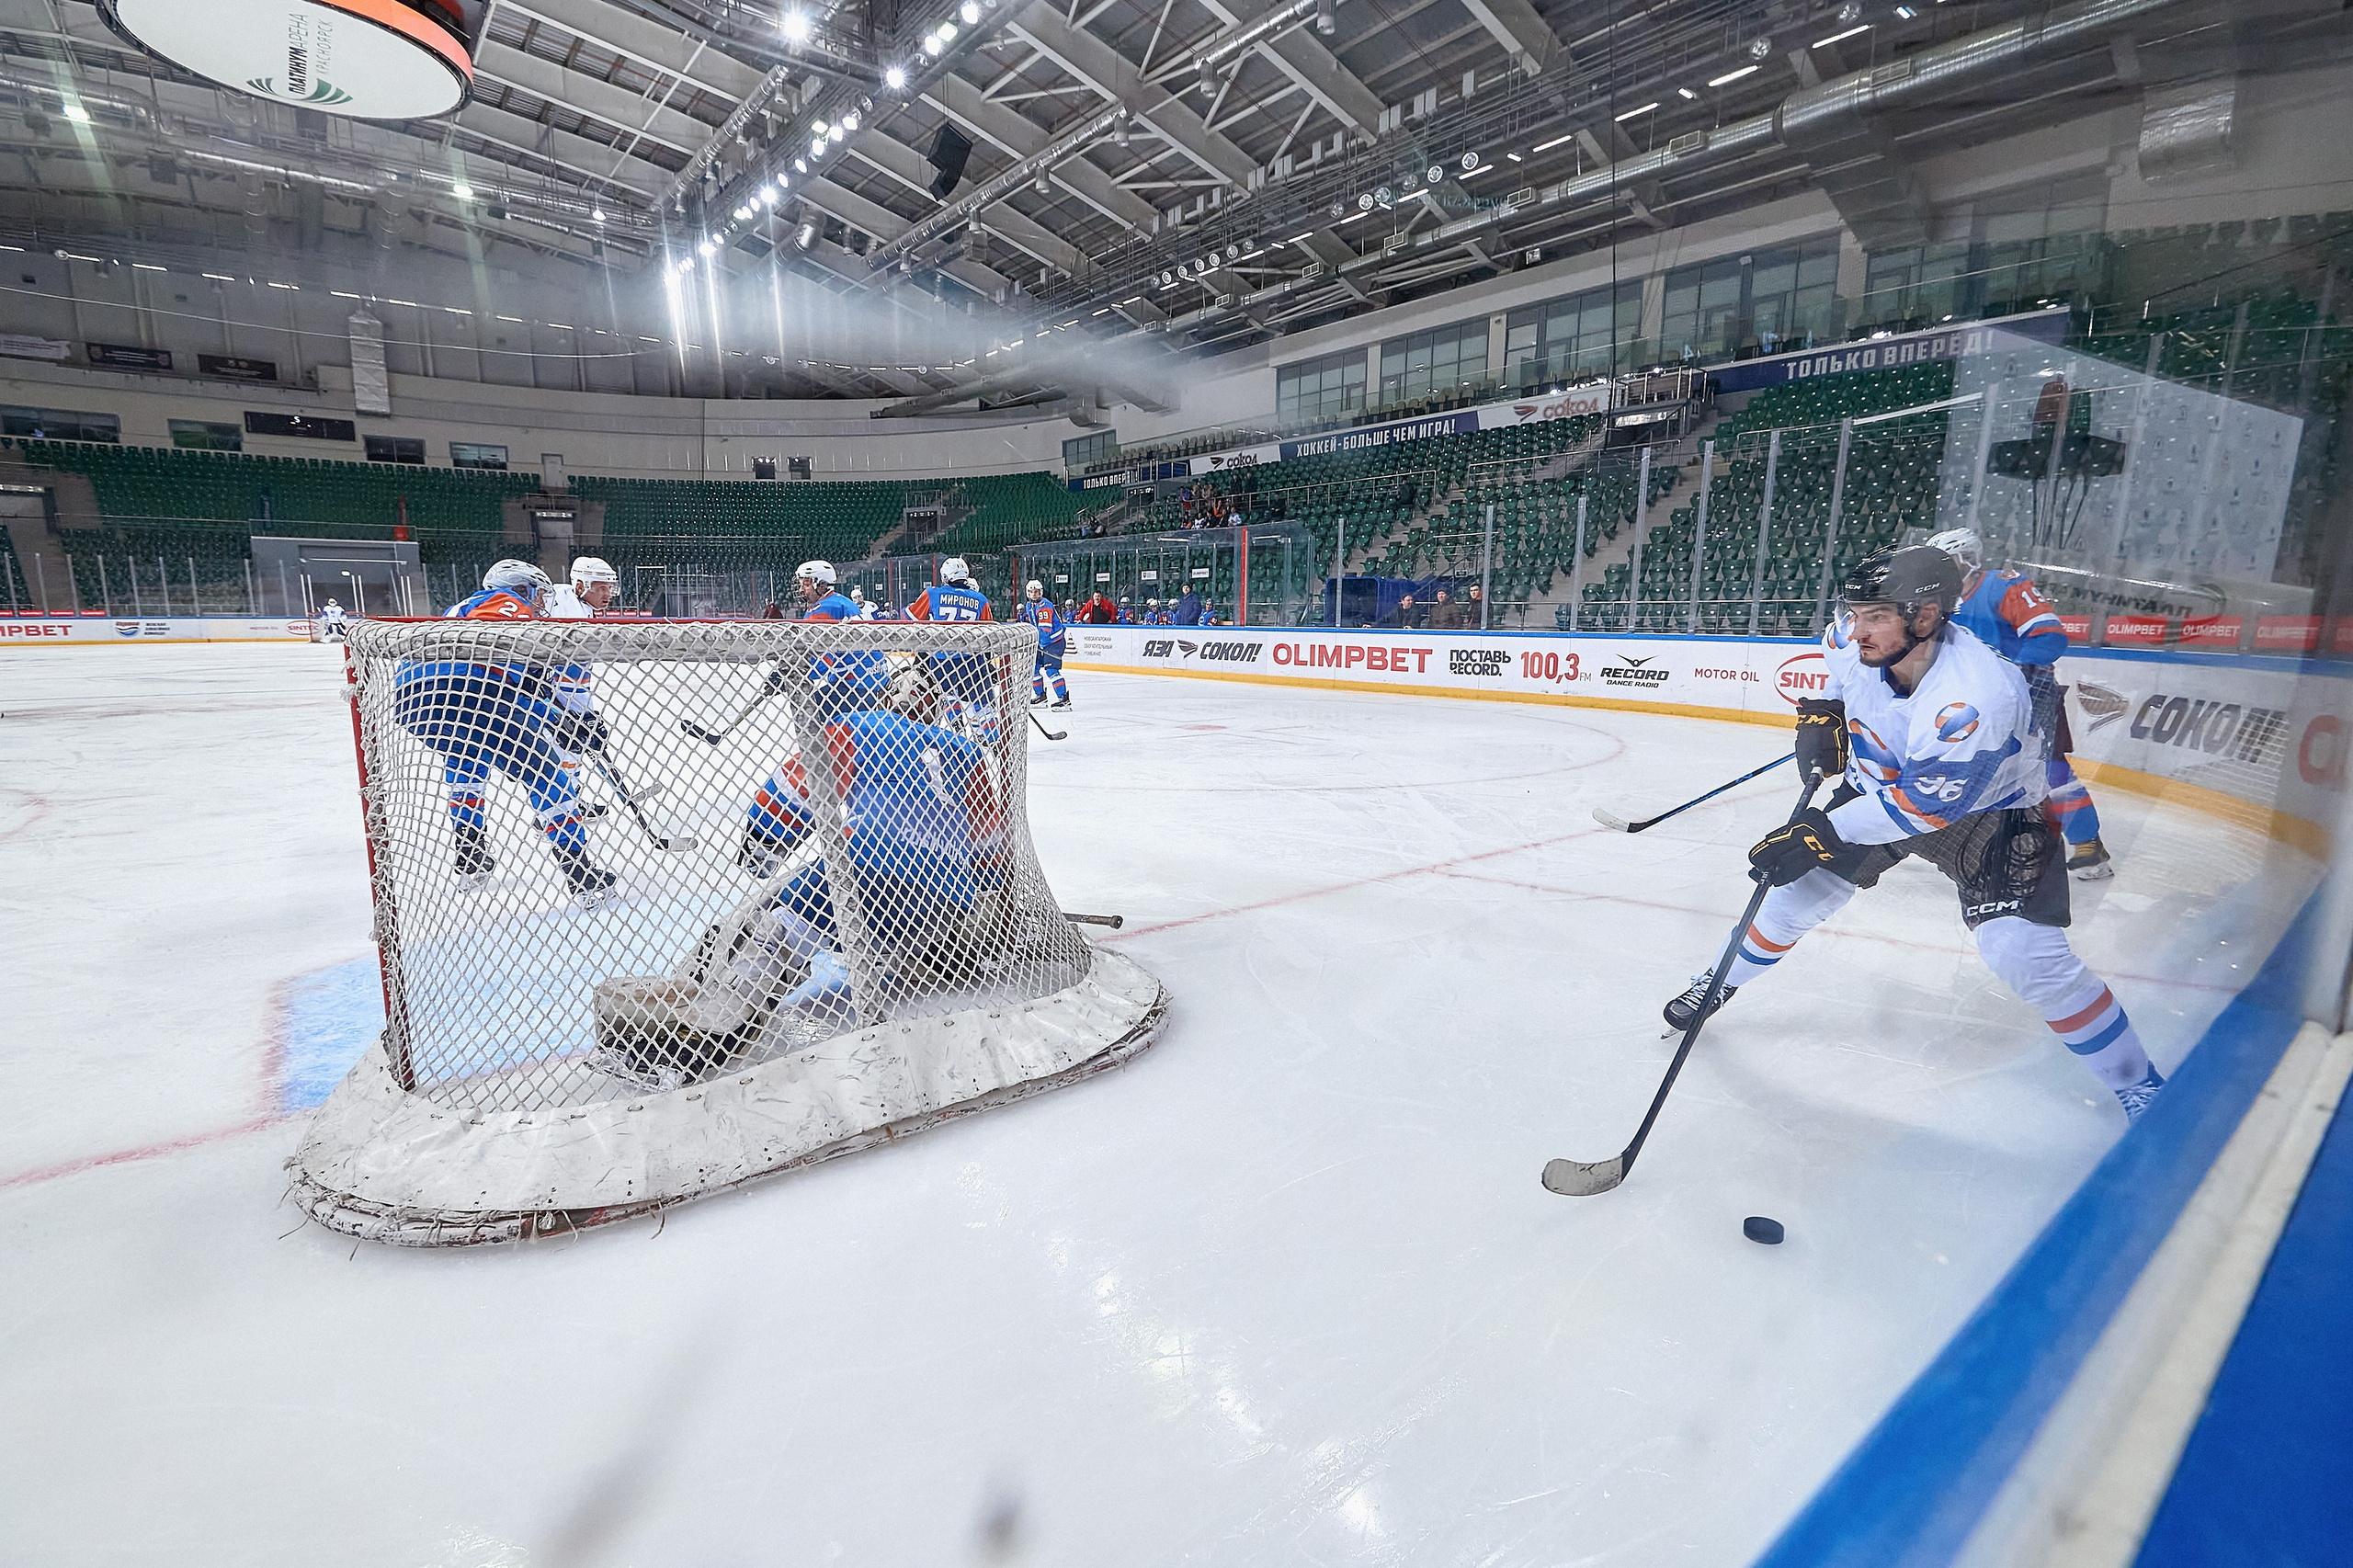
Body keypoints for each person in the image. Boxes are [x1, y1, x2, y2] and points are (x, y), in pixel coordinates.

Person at [1661, 545, 2163, 1122]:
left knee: (2024, 953)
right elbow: (1835, 661)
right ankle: (1718, 980)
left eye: (1875, 616)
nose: (1857, 630)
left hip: (1992, 814)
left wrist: (1816, 833)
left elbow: (1922, 808)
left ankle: (2139, 1082)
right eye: (1855, 613)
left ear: (1925, 618)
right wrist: (1823, 712)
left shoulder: (1975, 696)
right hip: (1884, 792)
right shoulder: (1857, 640)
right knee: (1794, 900)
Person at [595, 662, 1012, 1087]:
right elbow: (992, 841)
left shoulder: (861, 727)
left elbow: (790, 791)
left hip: (870, 874)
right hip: (945, 906)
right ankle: (940, 954)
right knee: (894, 900)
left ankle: (698, 1035)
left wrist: (764, 845)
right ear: (936, 708)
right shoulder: (966, 750)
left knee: (775, 921)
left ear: (887, 698)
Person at [393, 558, 616, 904]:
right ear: (522, 588)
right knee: (544, 774)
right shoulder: (507, 603)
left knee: (465, 764)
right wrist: (565, 720)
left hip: (414, 701)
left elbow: (520, 684)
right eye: (539, 595)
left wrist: (558, 715)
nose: (542, 604)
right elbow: (495, 679)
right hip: (471, 693)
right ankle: (582, 875)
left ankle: (470, 857)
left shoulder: (456, 609)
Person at [1927, 526, 2111, 880]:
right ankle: (1979, 844)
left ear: (1969, 559)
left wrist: (2012, 674)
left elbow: (2050, 637)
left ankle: (2088, 842)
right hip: (1972, 700)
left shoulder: (2005, 585)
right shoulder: (1937, 601)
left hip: (2029, 692)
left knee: (2046, 768)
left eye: (1947, 561)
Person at [542, 555, 620, 812]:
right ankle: (555, 812)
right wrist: (583, 714)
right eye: (600, 587)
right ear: (580, 586)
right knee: (564, 746)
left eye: (609, 587)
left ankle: (570, 802)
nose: (606, 594)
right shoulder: (568, 607)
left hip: (556, 690)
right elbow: (568, 671)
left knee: (572, 746)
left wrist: (584, 715)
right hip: (544, 691)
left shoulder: (577, 605)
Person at [905, 556, 998, 740]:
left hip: (941, 660)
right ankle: (991, 739)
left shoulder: (933, 593)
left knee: (948, 696)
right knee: (981, 702)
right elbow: (989, 631)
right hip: (973, 660)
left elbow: (910, 617)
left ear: (945, 576)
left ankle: (957, 731)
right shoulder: (980, 599)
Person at [1022, 579, 1071, 709]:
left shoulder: (1045, 606)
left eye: (1036, 592)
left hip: (1054, 643)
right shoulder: (1029, 606)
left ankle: (1064, 699)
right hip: (1042, 643)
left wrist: (1033, 641)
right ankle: (1041, 697)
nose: (1034, 594)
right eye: (1031, 592)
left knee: (1051, 671)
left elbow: (1045, 631)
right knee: (1033, 669)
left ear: (1041, 592)